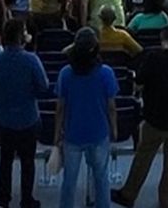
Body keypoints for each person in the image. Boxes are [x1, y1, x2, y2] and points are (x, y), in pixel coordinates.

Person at [111, 24, 168, 208]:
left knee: (143, 158)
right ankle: (165, 201)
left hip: (154, 119)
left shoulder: (153, 58)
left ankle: (128, 194)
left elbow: (139, 83)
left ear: (162, 39)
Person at [0, 18, 50, 208]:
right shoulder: (31, 60)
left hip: (4, 117)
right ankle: (26, 198)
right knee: (27, 161)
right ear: (22, 36)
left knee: (5, 160)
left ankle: (3, 197)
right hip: (28, 117)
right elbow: (44, 86)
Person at [54, 28, 119, 208]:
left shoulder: (65, 73)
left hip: (73, 134)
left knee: (69, 180)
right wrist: (113, 128)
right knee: (101, 178)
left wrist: (56, 134)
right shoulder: (106, 73)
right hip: (98, 133)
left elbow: (60, 108)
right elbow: (111, 107)